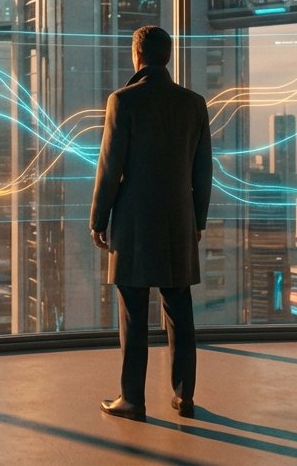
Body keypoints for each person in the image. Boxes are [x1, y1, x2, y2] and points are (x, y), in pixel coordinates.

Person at [89, 25, 212, 420]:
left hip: (134, 222)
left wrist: (98, 218)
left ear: (136, 55)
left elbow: (110, 167)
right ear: (168, 56)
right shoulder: (194, 103)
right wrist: (199, 220)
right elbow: (203, 171)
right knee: (180, 308)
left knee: (133, 312)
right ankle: (184, 395)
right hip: (179, 218)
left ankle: (132, 399)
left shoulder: (123, 101)